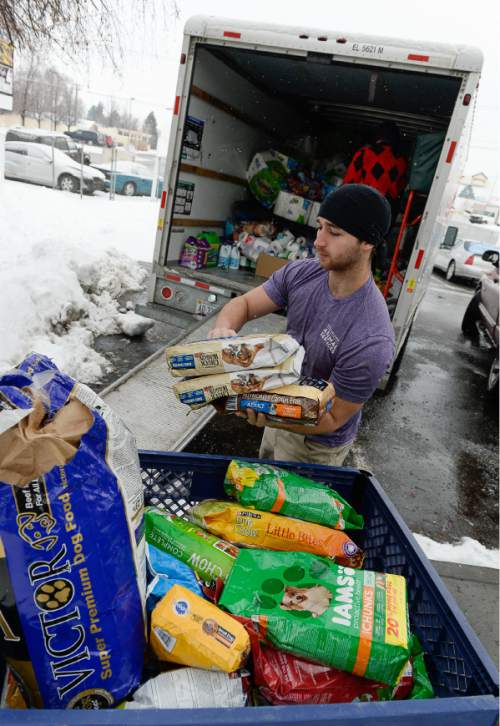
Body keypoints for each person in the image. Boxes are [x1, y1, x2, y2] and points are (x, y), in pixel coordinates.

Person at [208, 184, 395, 466]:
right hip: (276, 408)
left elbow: (331, 417)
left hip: (315, 445)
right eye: (320, 227)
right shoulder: (303, 273)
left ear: (367, 242)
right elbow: (243, 306)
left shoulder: (371, 338)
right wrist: (223, 333)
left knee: (288, 510)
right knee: (257, 493)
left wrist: (266, 410)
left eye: (334, 232)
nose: (319, 241)